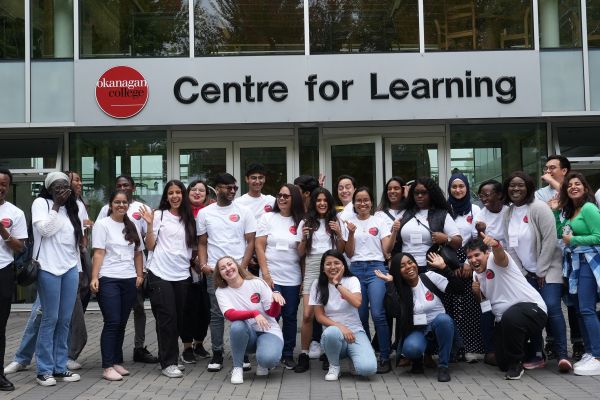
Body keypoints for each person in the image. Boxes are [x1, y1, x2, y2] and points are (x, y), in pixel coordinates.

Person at [502, 171, 570, 372]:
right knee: (531, 312)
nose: (516, 189)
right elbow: (510, 246)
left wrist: (540, 271)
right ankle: (537, 354)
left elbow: (550, 240)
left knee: (551, 307)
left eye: (520, 185)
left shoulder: (539, 208)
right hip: (526, 273)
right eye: (512, 185)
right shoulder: (508, 212)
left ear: (529, 187)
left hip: (548, 269)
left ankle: (562, 355)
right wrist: (522, 273)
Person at [197, 172, 257, 372]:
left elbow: (250, 242)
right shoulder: (205, 213)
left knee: (243, 313)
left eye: (235, 188)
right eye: (228, 187)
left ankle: (243, 353)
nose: (232, 191)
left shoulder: (244, 211)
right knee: (216, 314)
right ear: (217, 188)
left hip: (239, 271)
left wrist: (243, 268)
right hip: (214, 271)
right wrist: (204, 264)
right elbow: (202, 242)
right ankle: (217, 354)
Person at [467, 235, 548, 380]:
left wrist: (496, 245)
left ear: (486, 253)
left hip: (532, 309)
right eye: (470, 257)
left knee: (511, 317)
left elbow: (500, 256)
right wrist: (477, 294)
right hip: (506, 320)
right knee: (503, 362)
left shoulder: (495, 259)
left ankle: (516, 365)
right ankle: (532, 350)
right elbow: (485, 307)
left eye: (477, 255)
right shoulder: (476, 275)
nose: (473, 260)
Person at [96, 175, 158, 364]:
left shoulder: (142, 209)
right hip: (111, 274)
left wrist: (141, 272)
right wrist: (95, 275)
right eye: (119, 186)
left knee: (138, 309)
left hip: (134, 272)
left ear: (133, 187)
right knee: (114, 318)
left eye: (126, 185)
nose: (123, 187)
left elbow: (144, 244)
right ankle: (113, 358)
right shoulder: (105, 212)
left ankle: (138, 348)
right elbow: (99, 245)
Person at [376, 252, 464, 382]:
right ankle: (417, 359)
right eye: (402, 266)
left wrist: (444, 268)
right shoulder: (398, 289)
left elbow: (458, 289)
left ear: (416, 264)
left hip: (438, 327)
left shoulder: (429, 277)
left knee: (444, 320)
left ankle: (443, 366)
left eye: (410, 262)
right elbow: (394, 312)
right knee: (412, 348)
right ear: (397, 271)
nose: (408, 267)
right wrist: (389, 284)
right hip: (417, 330)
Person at [140, 180, 197, 378]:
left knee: (178, 320)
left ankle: (170, 357)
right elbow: (149, 246)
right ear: (166, 196)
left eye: (178, 192)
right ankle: (168, 362)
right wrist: (149, 225)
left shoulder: (189, 218)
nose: (175, 196)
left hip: (182, 275)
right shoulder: (158, 215)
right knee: (167, 319)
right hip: (160, 273)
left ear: (183, 195)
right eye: (171, 193)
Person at [32, 172, 83, 386]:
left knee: (64, 320)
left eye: (65, 186)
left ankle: (60, 367)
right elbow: (45, 230)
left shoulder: (74, 208)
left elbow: (76, 243)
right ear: (49, 189)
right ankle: (44, 370)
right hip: (47, 267)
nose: (62, 190)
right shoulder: (41, 203)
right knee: (50, 319)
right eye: (57, 187)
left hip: (70, 267)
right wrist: (55, 206)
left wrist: (79, 269)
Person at [89, 190, 144, 381]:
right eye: (117, 202)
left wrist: (139, 274)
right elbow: (98, 253)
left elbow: (138, 252)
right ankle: (106, 366)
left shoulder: (132, 225)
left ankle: (115, 361)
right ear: (110, 204)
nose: (121, 205)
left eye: (124, 202)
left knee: (121, 322)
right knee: (112, 322)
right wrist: (94, 277)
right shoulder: (103, 225)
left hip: (128, 279)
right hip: (108, 279)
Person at [534, 156, 583, 360]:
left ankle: (579, 343)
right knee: (551, 302)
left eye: (553, 168)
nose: (548, 172)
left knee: (575, 302)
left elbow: (571, 200)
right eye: (546, 168)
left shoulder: (574, 189)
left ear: (564, 170)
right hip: (553, 255)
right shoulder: (540, 193)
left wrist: (556, 185)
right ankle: (552, 343)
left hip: (574, 256)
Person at [343, 187, 397, 373]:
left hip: (377, 269)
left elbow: (387, 249)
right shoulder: (348, 222)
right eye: (358, 200)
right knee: (360, 316)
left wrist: (395, 232)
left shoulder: (379, 220)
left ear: (371, 202)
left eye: (366, 200)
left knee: (378, 313)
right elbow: (349, 253)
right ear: (354, 203)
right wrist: (350, 233)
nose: (362, 203)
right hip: (356, 269)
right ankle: (366, 353)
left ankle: (384, 355)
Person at [295, 187, 344, 372]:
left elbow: (342, 250)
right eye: (318, 200)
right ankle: (305, 354)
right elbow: (300, 253)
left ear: (329, 203)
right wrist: (305, 238)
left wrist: (339, 233)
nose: (322, 203)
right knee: (308, 314)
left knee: (328, 312)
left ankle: (328, 353)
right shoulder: (306, 222)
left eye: (325, 200)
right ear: (314, 203)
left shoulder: (336, 220)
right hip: (313, 264)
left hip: (332, 265)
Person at [256, 183, 305, 369]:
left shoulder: (300, 221)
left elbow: (302, 254)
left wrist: (303, 278)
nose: (282, 199)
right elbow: (259, 246)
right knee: (271, 315)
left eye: (286, 196)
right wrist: (266, 275)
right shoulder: (268, 217)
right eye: (280, 195)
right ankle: (271, 352)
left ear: (295, 199)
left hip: (292, 277)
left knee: (291, 316)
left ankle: (287, 353)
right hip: (271, 276)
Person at [556, 172, 600, 376]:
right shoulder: (573, 210)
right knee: (581, 310)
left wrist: (573, 241)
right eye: (569, 185)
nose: (573, 187)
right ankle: (590, 352)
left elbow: (599, 236)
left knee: (587, 309)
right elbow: (562, 233)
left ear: (585, 187)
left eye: (577, 184)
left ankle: (598, 355)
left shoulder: (589, 208)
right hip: (576, 264)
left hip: (589, 262)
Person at [214, 256, 285, 384]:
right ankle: (237, 368)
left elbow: (272, 313)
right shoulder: (221, 291)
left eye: (230, 264)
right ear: (220, 275)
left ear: (237, 265)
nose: (228, 269)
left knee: (267, 359)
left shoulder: (256, 282)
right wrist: (254, 313)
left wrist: (275, 301)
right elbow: (230, 314)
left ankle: (263, 362)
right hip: (247, 335)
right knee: (237, 326)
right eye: (222, 268)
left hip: (268, 331)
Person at [310, 250, 377, 381]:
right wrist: (340, 327)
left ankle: (354, 357)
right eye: (328, 264)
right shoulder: (317, 285)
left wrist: (337, 284)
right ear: (323, 268)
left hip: (355, 331)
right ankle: (334, 366)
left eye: (337, 263)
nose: (333, 267)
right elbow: (319, 317)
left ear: (344, 265)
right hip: (333, 334)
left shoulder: (352, 280)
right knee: (332, 333)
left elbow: (357, 302)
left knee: (368, 369)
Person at [445, 173, 484, 361]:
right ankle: (453, 347)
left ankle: (471, 348)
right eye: (454, 187)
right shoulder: (445, 208)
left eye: (461, 186)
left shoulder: (475, 209)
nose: (458, 190)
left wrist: (468, 262)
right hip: (449, 259)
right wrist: (452, 264)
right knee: (451, 304)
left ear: (467, 188)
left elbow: (477, 237)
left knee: (470, 305)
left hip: (470, 258)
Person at [472, 179, 507, 366]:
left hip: (507, 267)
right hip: (485, 269)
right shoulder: (480, 216)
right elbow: (476, 245)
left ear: (500, 194)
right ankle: (490, 349)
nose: (484, 198)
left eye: (488, 193)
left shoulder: (508, 212)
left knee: (506, 307)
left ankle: (511, 347)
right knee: (486, 308)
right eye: (481, 194)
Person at [398, 177, 462, 272]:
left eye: (424, 192)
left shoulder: (442, 214)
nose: (419, 196)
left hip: (430, 268)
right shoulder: (405, 213)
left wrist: (445, 238)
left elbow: (458, 242)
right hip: (405, 267)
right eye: (416, 193)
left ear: (431, 194)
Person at [180, 180, 212, 363]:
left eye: (202, 190)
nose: (198, 193)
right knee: (188, 309)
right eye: (194, 189)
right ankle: (186, 347)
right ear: (188, 192)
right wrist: (193, 259)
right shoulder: (181, 213)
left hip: (207, 266)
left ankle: (199, 344)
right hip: (185, 267)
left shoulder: (209, 212)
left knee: (205, 308)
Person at [0, 169, 26, 391]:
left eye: (4, 184)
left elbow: (20, 248)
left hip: (3, 271)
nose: (0, 187)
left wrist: (2, 230)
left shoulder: (15, 213)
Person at [234, 164, 275, 277]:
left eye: (260, 177)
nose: (257, 181)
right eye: (253, 178)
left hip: (267, 254)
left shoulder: (271, 200)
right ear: (247, 179)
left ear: (264, 179)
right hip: (245, 255)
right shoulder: (238, 202)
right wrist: (248, 256)